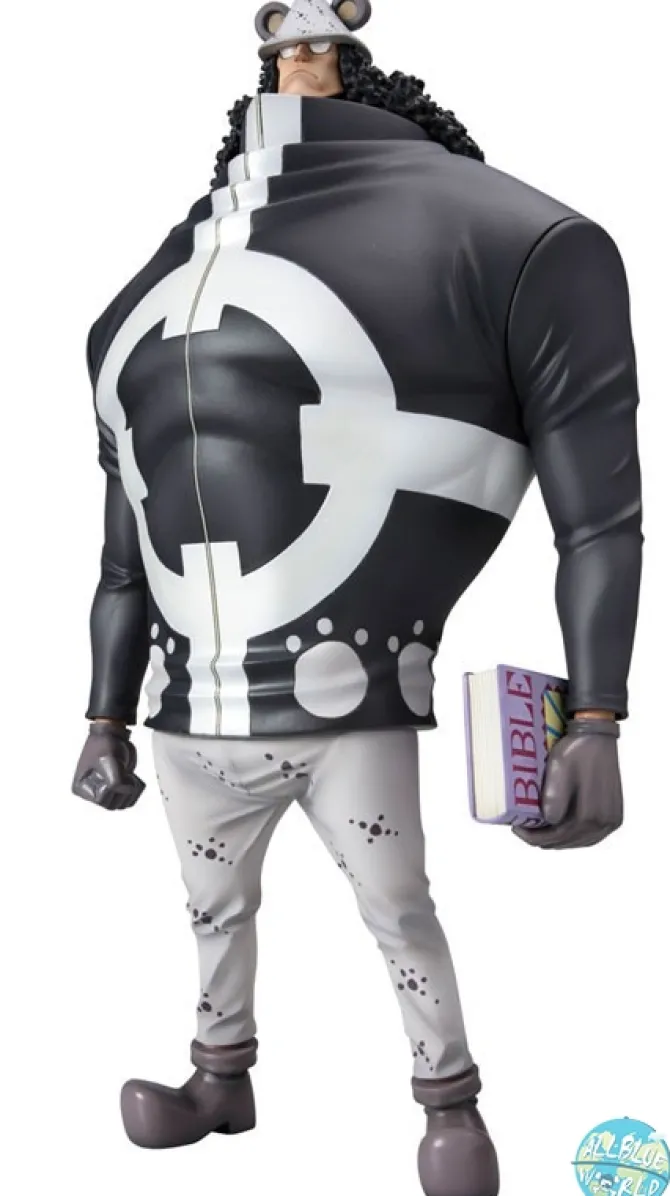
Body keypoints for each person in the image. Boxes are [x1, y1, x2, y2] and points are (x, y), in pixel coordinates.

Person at [72, 3, 643, 1194]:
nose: (294, 55)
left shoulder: (513, 239)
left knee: (397, 911)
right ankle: (218, 1075)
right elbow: (122, 555)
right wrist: (104, 715)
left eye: (312, 37)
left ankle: (450, 1102)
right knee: (211, 911)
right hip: (188, 715)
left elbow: (597, 518)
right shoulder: (135, 307)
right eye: (277, 37)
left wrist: (597, 716)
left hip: (348, 700)